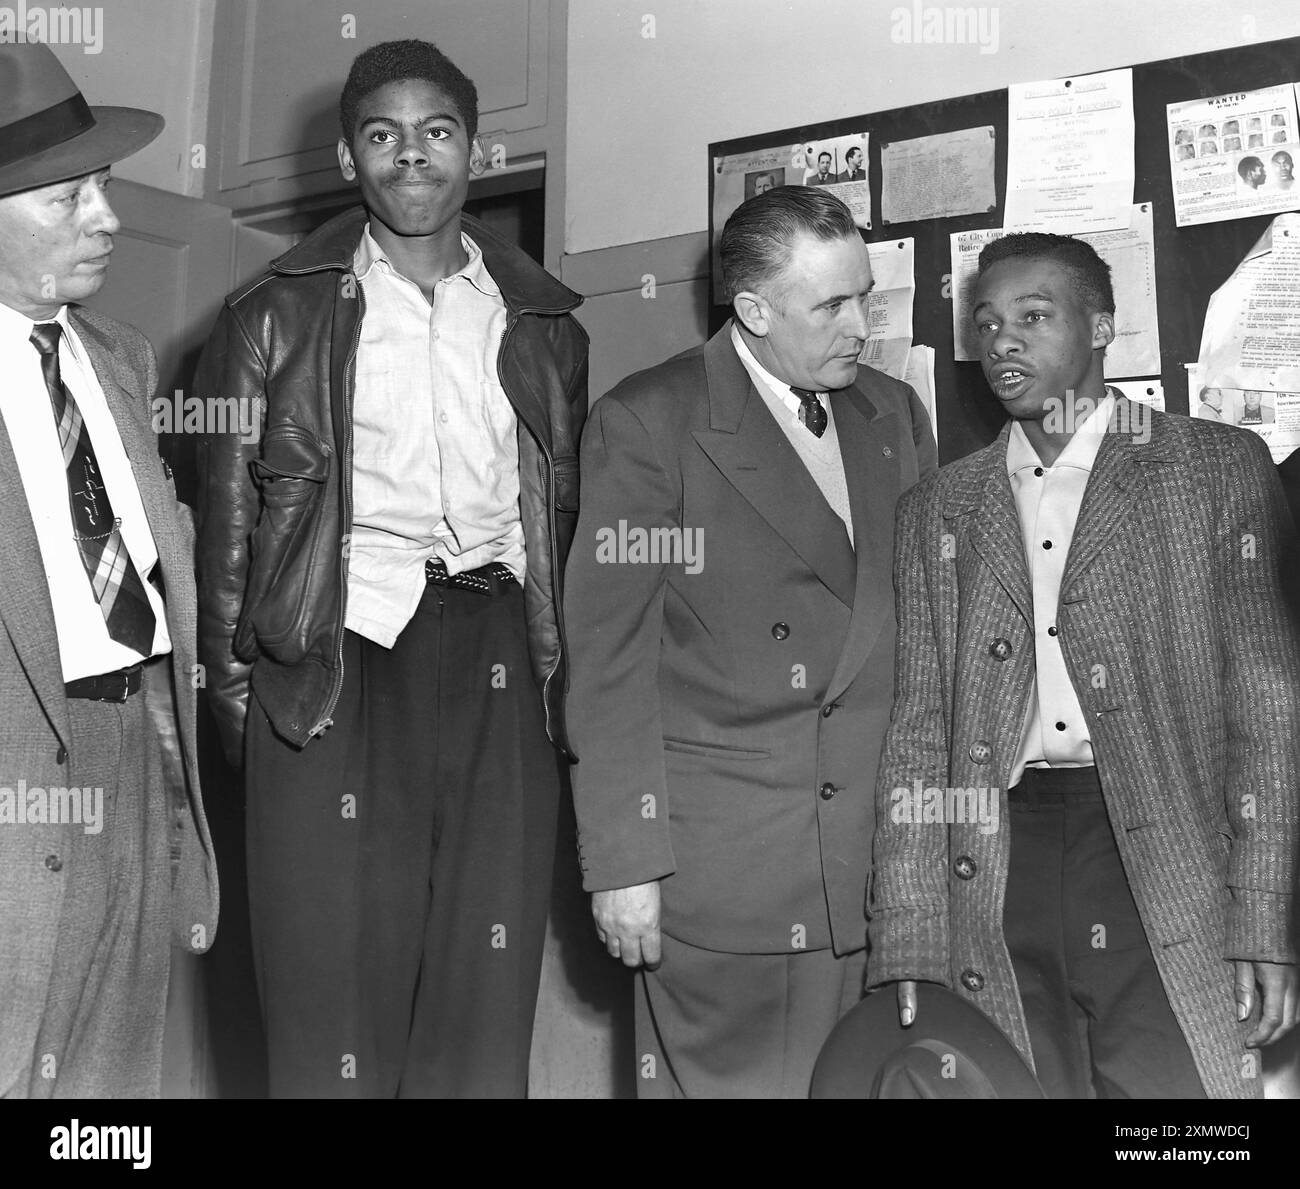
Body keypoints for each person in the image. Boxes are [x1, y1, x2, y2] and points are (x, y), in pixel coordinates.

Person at [194, 38, 588, 1098]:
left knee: (483, 992)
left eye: (437, 132)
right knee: (327, 1000)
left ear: (478, 147)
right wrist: (255, 718)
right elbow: (223, 543)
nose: (411, 156)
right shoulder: (269, 315)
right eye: (382, 135)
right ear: (346, 158)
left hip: (503, 659)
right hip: (336, 658)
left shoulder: (544, 321)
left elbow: (561, 511)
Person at [868, 231, 1299, 1099]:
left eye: (1034, 315)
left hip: (1163, 848)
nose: (1002, 341)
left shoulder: (1215, 468)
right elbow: (917, 731)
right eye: (986, 322)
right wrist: (910, 927)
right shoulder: (938, 508)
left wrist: (1266, 915)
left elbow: (1269, 710)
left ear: (1102, 327)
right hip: (995, 857)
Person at [565, 187, 937, 1098]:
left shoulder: (895, 415)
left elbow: (923, 635)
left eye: (865, 294)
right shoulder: (649, 423)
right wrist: (625, 864)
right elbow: (607, 664)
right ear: (754, 310)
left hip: (877, 875)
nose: (861, 323)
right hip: (729, 878)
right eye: (833, 305)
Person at [0, 42, 217, 1098]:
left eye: (103, 188)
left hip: (136, 747)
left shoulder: (121, 358)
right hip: (14, 769)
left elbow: (155, 574)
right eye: (65, 197)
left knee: (110, 1082)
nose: (108, 218)